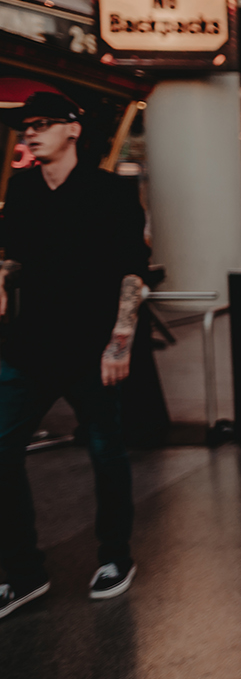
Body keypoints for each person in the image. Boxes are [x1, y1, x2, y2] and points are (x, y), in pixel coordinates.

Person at [0, 92, 149, 619]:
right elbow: (14, 256)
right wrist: (1, 277)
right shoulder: (21, 191)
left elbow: (134, 271)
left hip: (93, 348)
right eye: (25, 127)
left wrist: (119, 341)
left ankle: (114, 558)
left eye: (42, 125)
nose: (30, 135)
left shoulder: (109, 192)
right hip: (30, 346)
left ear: (73, 130)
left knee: (106, 453)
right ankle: (23, 573)